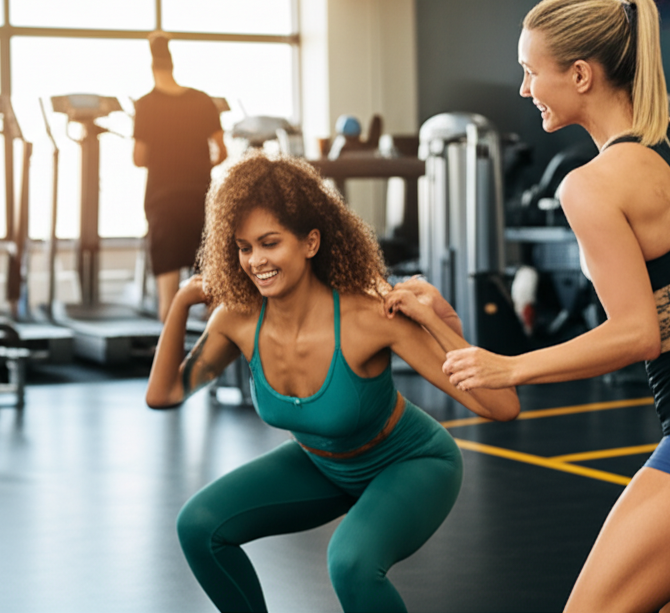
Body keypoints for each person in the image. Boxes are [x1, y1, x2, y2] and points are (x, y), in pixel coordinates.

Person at [392, 0, 670, 613]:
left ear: (581, 75)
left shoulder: (587, 187)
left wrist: (511, 367)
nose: (523, 88)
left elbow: (637, 334)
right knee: (668, 591)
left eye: (531, 71)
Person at [145, 152, 519, 613]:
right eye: (244, 247)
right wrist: (182, 301)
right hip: (324, 464)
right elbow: (164, 395)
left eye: (269, 243)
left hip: (412, 464)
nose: (255, 261)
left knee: (351, 563)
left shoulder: (367, 318)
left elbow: (502, 406)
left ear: (311, 242)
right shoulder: (237, 321)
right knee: (199, 525)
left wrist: (433, 319)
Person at [132, 32, 228, 322]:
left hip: (163, 203)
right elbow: (222, 152)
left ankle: (171, 360)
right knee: (213, 292)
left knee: (169, 303)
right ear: (173, 66)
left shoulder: (146, 104)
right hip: (199, 198)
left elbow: (138, 159)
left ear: (152, 68)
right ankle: (215, 357)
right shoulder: (202, 100)